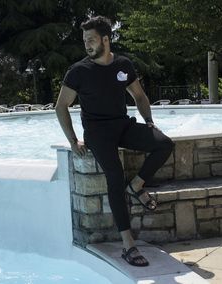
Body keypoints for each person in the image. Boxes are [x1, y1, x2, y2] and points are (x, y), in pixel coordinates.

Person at [55, 16, 174, 267]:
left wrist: (149, 120)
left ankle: (137, 185)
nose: (87, 45)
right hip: (97, 133)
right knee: (114, 176)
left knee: (164, 143)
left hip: (122, 125)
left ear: (106, 39)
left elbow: (139, 96)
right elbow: (61, 106)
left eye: (91, 39)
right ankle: (128, 245)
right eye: (85, 40)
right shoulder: (78, 71)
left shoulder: (123, 65)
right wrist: (74, 139)